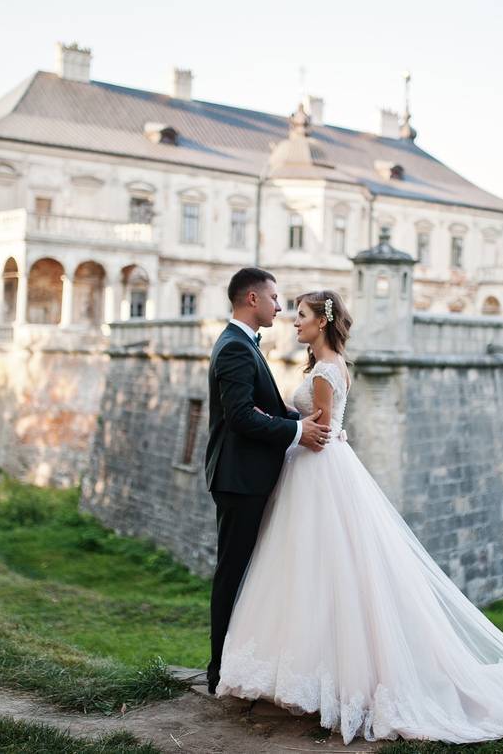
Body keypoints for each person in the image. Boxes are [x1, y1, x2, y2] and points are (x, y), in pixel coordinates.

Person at [213, 288, 503, 745]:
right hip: (316, 468)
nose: (295, 321)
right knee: (314, 568)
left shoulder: (327, 371)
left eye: (303, 315)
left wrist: (295, 429)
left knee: (313, 568)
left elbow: (320, 430)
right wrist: (294, 423)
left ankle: (318, 675)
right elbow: (317, 423)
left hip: (316, 469)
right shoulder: (328, 366)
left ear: (322, 322)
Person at [203, 267, 332, 696]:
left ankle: (237, 663)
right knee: (233, 572)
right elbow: (241, 417)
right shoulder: (235, 348)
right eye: (275, 298)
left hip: (249, 476)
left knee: (248, 572)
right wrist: (298, 432)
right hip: (239, 479)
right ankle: (219, 669)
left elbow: (267, 408)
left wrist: (298, 420)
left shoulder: (243, 344)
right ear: (252, 300)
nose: (280, 307)